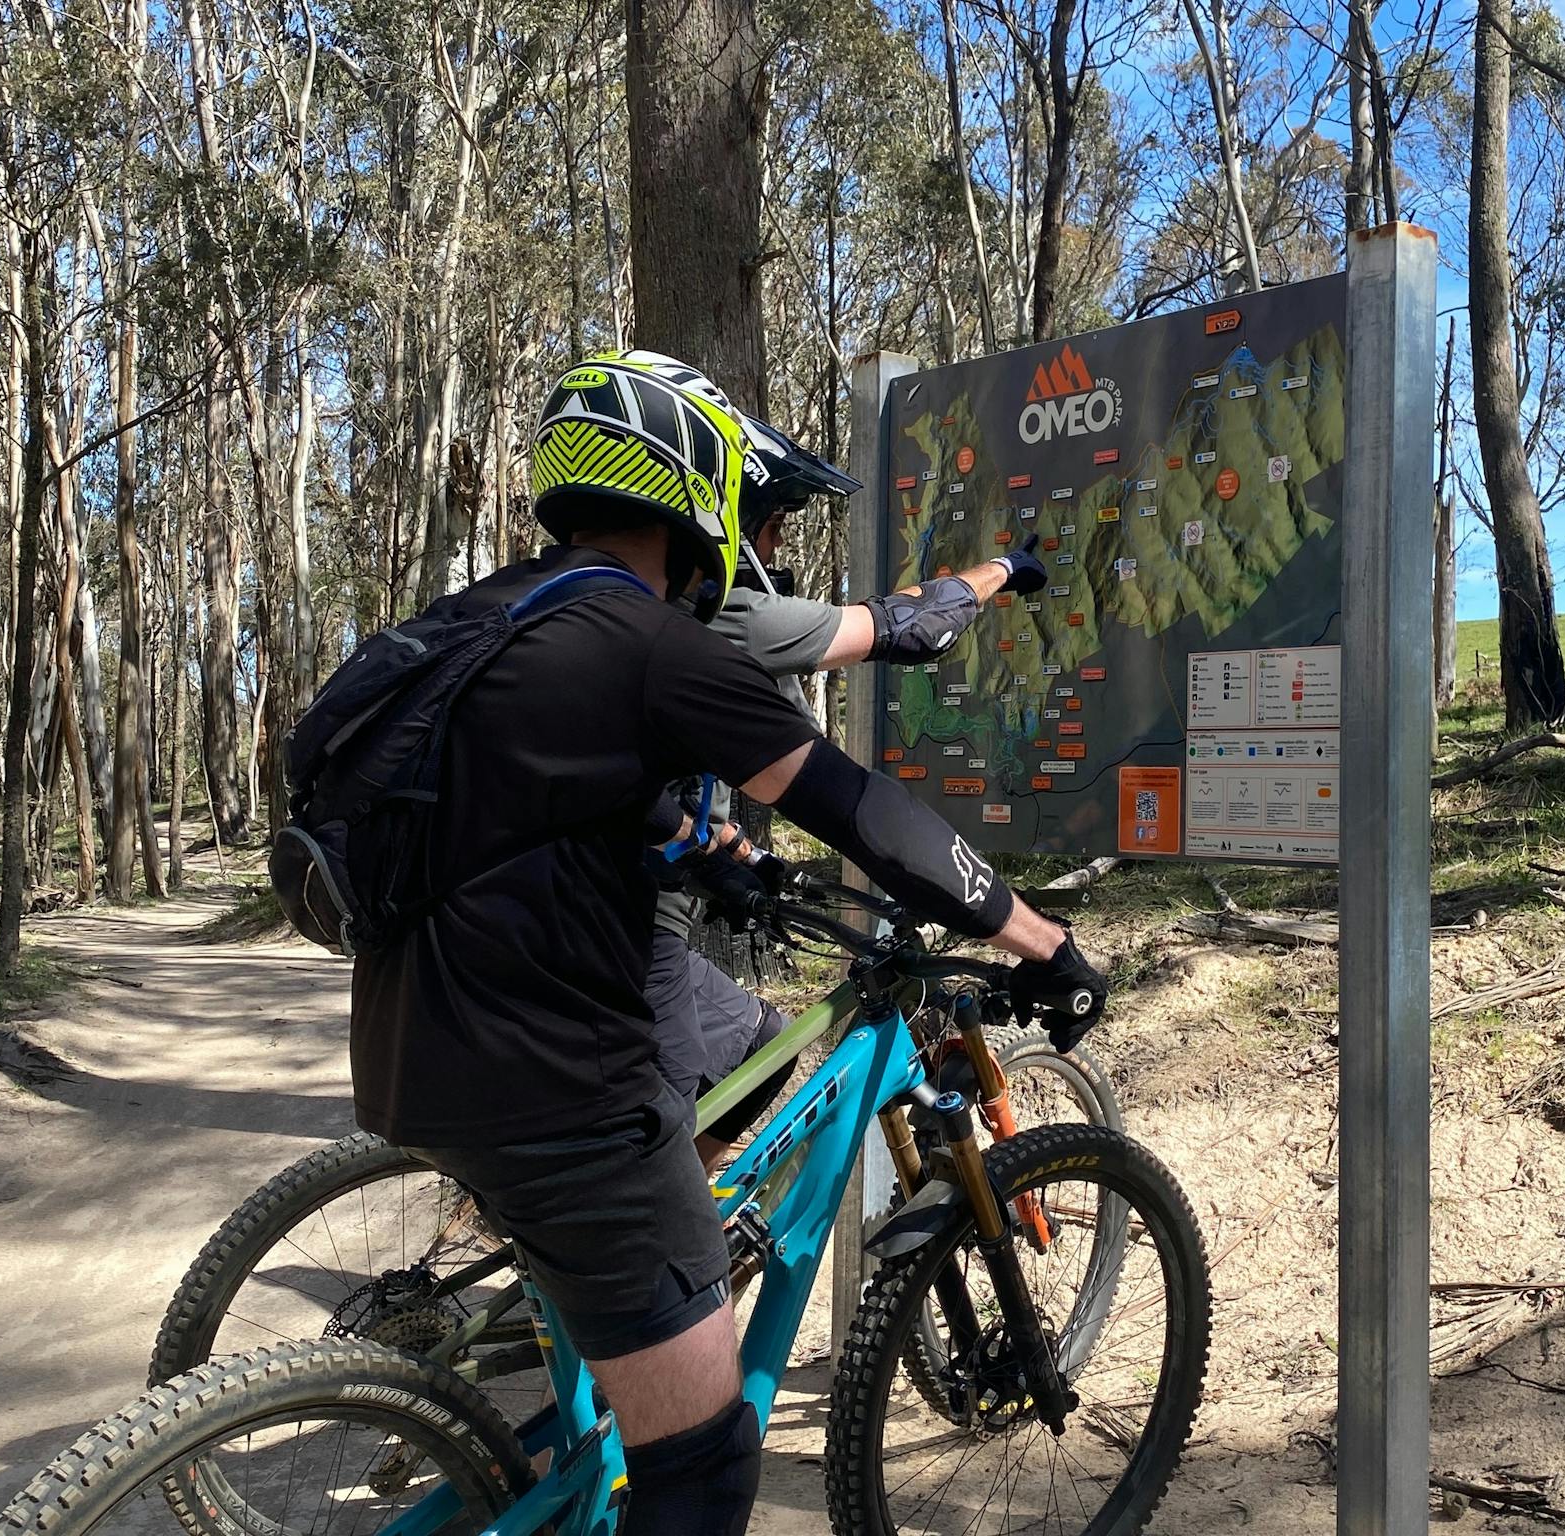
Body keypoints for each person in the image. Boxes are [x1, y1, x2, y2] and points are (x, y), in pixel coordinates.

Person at [348, 351, 1106, 1536]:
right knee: (703, 1470)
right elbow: (869, 816)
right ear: (696, 488)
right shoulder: (657, 643)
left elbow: (551, 790)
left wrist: (718, 860)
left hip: (403, 1048)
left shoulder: (479, 619)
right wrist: (1035, 935)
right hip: (559, 1083)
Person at [607, 351, 1047, 1163]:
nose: (779, 545)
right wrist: (1003, 569)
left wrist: (725, 850)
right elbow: (910, 629)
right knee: (673, 1236)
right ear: (719, 515)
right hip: (633, 944)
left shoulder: (635, 619)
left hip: (603, 922)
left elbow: (644, 784)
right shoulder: (730, 617)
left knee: (758, 1046)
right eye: (772, 521)